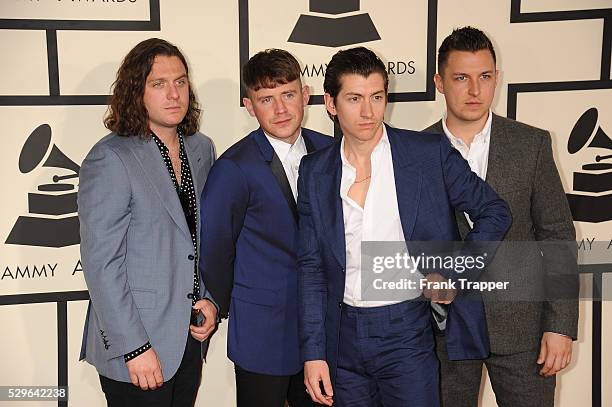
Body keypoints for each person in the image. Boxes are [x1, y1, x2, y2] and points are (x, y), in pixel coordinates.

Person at [297, 46, 512, 407]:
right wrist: (313, 353)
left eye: (377, 97)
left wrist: (454, 274)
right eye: (354, 98)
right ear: (331, 103)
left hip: (406, 333)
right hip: (342, 335)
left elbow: (494, 211)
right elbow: (311, 267)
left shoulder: (427, 154)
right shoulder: (314, 171)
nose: (368, 111)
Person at [425, 26, 578, 407]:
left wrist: (559, 326)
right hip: (444, 331)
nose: (475, 90)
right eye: (461, 78)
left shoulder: (532, 144)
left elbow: (557, 236)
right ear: (440, 82)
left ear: (497, 78)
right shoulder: (414, 151)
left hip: (522, 333)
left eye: (485, 77)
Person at [78, 38, 218, 407]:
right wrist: (133, 347)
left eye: (181, 82)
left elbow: (202, 236)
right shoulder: (110, 158)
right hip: (137, 344)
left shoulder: (201, 148)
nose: (174, 94)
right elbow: (101, 263)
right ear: (136, 91)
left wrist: (209, 298)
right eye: (159, 84)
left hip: (188, 337)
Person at [199, 48, 333, 407]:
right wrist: (241, 301)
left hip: (324, 330)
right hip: (264, 332)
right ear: (249, 105)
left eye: (288, 95)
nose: (280, 109)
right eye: (266, 99)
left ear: (306, 95)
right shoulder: (234, 166)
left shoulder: (332, 152)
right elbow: (214, 251)